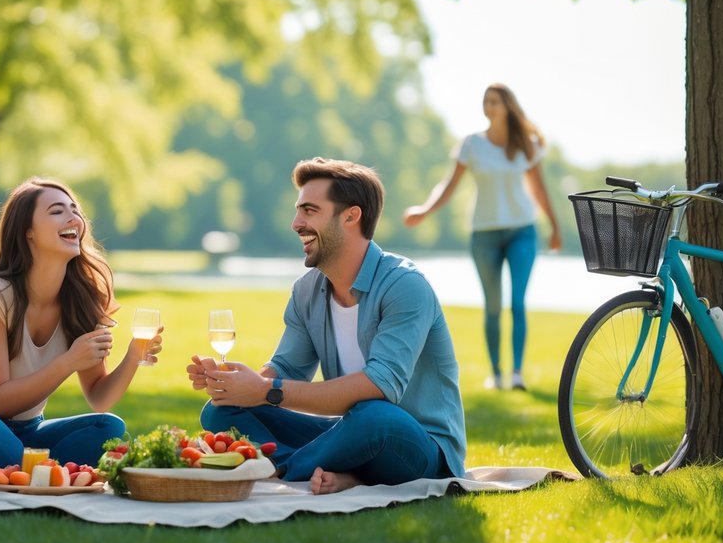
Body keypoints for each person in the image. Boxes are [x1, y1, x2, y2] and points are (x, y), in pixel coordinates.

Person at [186, 157, 466, 495]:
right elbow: (286, 371)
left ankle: (285, 469)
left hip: (416, 446)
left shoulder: (404, 286)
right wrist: (238, 385)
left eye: (309, 210)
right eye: (298, 211)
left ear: (350, 216)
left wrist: (263, 390)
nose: (295, 223)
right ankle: (338, 472)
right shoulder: (307, 291)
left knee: (374, 415)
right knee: (220, 412)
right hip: (347, 434)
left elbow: (380, 386)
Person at [0, 177, 162, 488]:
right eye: (57, 211)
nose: (74, 218)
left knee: (107, 427)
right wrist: (68, 362)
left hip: (27, 433)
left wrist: (132, 357)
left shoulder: (82, 299)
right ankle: (43, 476)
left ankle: (23, 472)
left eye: (75, 210)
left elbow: (99, 398)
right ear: (27, 231)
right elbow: (0, 401)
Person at [403, 83, 561, 391]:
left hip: (522, 231)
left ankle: (517, 374)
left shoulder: (526, 144)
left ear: (508, 107)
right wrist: (424, 210)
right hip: (484, 234)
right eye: (486, 101)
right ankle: (496, 374)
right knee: (492, 305)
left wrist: (554, 226)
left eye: (495, 102)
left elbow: (540, 189)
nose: (489, 107)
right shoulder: (471, 145)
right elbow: (449, 185)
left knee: (517, 302)